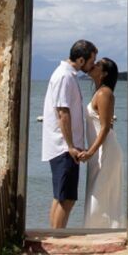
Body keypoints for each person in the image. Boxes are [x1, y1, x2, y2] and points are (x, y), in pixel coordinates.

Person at [42, 38, 97, 229]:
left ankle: (53, 236)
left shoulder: (68, 75)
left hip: (62, 146)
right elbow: (63, 113)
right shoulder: (64, 77)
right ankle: (57, 239)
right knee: (67, 199)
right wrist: (71, 146)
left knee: (61, 196)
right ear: (81, 60)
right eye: (91, 61)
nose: (92, 66)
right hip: (63, 147)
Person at [81, 57, 125, 230]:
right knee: (99, 196)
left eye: (98, 64)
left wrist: (90, 152)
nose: (93, 65)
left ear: (104, 73)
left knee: (99, 198)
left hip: (106, 150)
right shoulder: (100, 92)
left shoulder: (104, 93)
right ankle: (99, 233)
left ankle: (100, 235)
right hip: (99, 151)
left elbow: (106, 127)